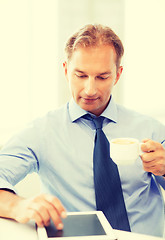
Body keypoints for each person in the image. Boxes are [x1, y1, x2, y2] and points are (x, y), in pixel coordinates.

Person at [0, 24, 165, 237]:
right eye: (80, 75)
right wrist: (17, 206)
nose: (90, 89)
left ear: (117, 75)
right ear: (66, 70)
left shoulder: (150, 129)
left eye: (102, 77)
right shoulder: (41, 133)